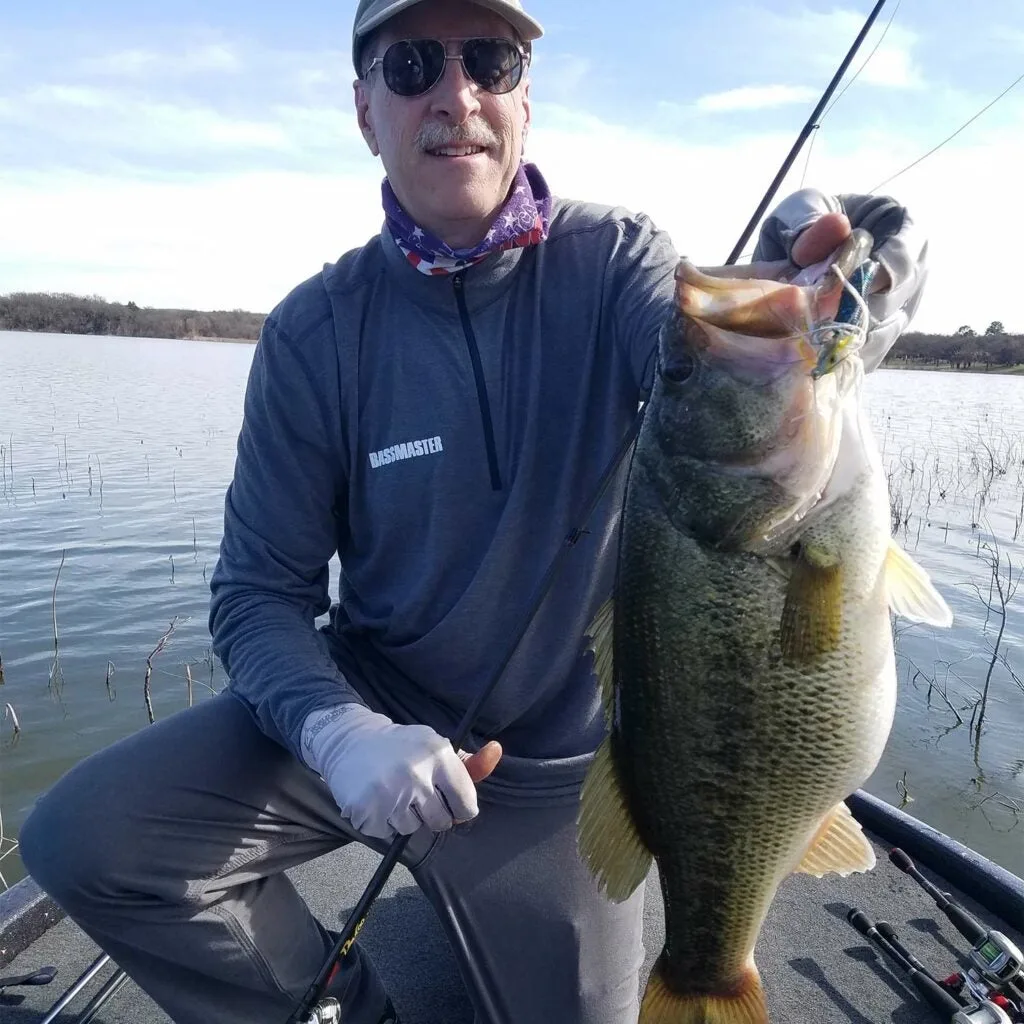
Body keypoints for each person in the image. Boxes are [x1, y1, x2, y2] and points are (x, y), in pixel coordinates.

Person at [18, 0, 928, 1022]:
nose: (456, 95)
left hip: (560, 767)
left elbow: (719, 370)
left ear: (523, 101)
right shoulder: (313, 335)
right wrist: (338, 733)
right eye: (412, 65)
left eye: (489, 60)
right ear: (366, 110)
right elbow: (255, 594)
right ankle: (347, 1008)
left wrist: (841, 279)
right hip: (369, 712)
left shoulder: (618, 262)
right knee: (84, 840)